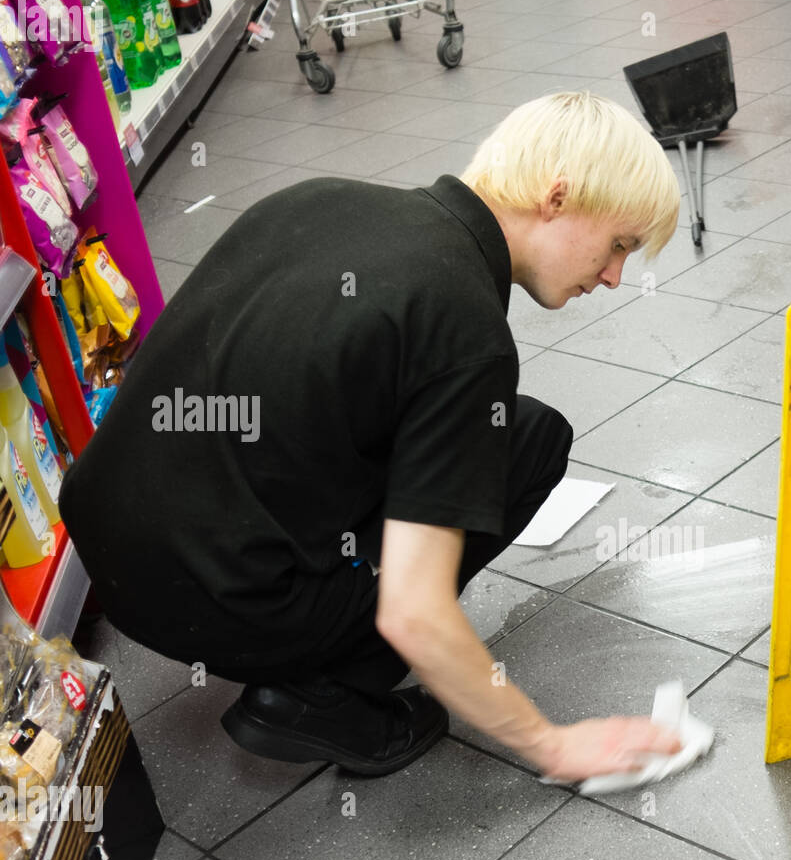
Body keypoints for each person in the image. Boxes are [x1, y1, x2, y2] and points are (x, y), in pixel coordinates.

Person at [60, 91, 684, 782]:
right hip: (217, 604)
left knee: (519, 427)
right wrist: (553, 746)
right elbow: (414, 613)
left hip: (106, 547)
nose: (615, 276)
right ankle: (317, 697)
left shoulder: (319, 198)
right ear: (557, 198)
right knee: (528, 447)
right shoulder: (465, 328)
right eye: (618, 245)